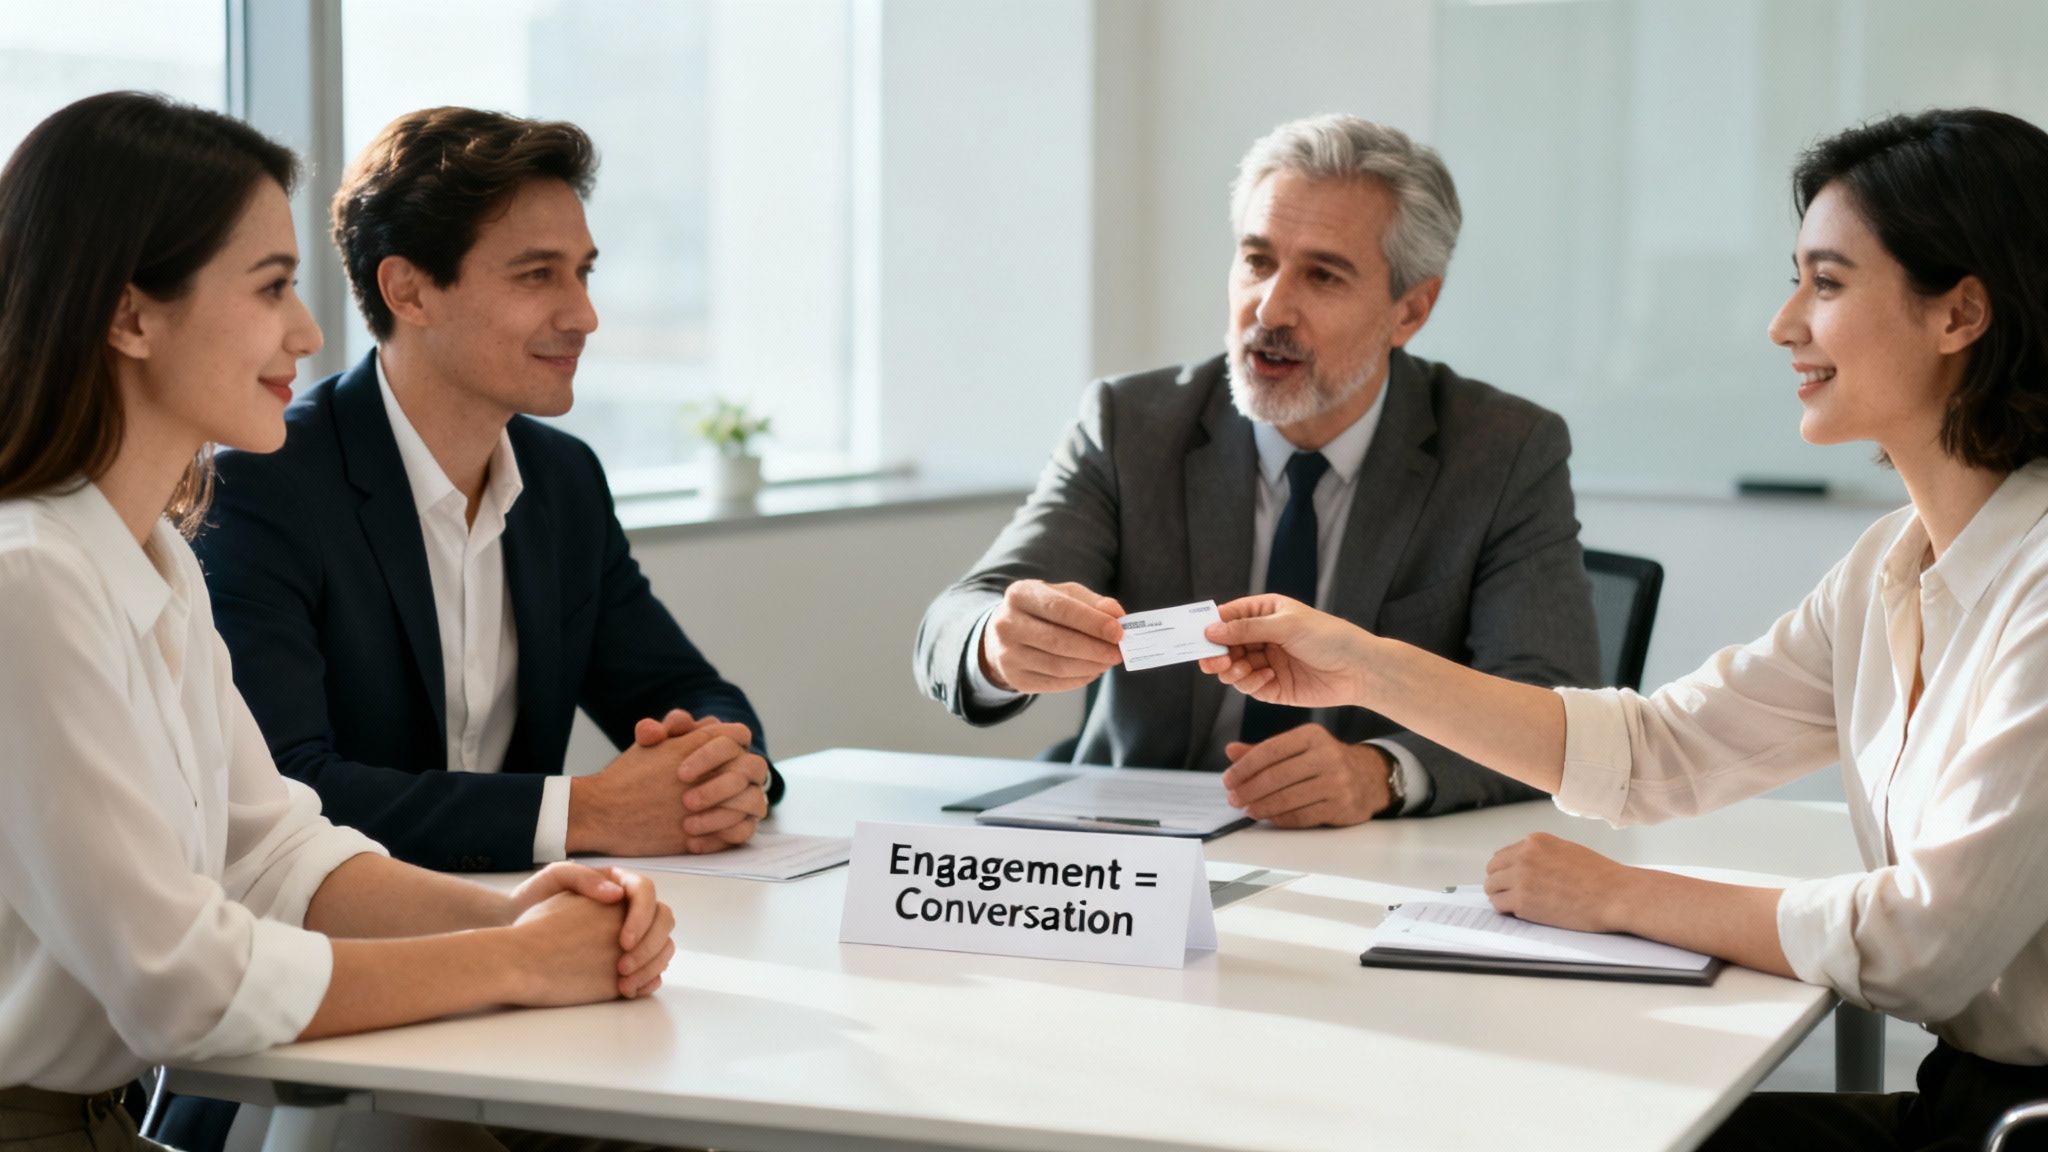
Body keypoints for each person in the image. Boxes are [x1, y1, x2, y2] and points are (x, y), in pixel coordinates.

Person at [1198, 108, 2048, 1150]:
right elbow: (1654, 752)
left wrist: (1621, 896)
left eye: (1825, 284)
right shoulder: (1889, 565)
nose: (1783, 324)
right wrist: (1362, 668)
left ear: (1957, 313)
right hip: (1967, 1100)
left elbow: (1924, 946)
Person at [0, 92, 674, 1152]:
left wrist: (514, 912)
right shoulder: (28, 581)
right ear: (130, 316)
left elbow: (271, 854)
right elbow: (179, 983)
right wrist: (519, 962)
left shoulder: (153, 557)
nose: (309, 332)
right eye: (270, 288)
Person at [915, 114, 1598, 824]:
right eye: (1257, 260)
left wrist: (1384, 771)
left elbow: (1551, 700)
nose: (1269, 309)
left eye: (1323, 275)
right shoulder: (1132, 425)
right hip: (1141, 845)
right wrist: (995, 642)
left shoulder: (1503, 450)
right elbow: (955, 620)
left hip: (1367, 855)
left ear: (1410, 310)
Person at [191, 107, 776, 875]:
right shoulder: (261, 486)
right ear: (408, 291)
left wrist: (721, 769)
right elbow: (286, 788)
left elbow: (688, 689)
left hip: (530, 924)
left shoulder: (564, 481)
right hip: (345, 947)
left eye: (583, 272)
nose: (584, 315)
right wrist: (587, 812)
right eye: (538, 275)